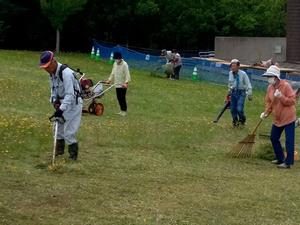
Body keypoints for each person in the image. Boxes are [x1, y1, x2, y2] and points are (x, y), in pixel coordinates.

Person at [40, 51, 83, 160]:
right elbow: (53, 90)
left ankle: (73, 156)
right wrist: (54, 101)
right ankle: (59, 152)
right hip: (63, 103)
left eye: (47, 66)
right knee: (57, 128)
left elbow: (70, 95)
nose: (46, 69)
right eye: (44, 67)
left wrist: (61, 109)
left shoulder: (66, 74)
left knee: (69, 131)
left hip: (73, 104)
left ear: (53, 61)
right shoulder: (52, 73)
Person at [260, 65, 296, 169]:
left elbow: (292, 101)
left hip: (288, 117)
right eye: (267, 77)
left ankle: (288, 162)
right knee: (274, 137)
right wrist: (266, 112)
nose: (268, 79)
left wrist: (281, 97)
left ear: (275, 77)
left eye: (269, 76)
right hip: (278, 118)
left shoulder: (285, 86)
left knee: (289, 140)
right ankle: (280, 158)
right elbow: (268, 102)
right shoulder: (270, 88)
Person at [228, 59, 253, 127]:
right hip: (233, 92)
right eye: (231, 66)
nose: (232, 67)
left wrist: (249, 94)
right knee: (232, 110)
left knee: (239, 109)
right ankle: (235, 122)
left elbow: (248, 84)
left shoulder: (243, 74)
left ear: (238, 66)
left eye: (234, 66)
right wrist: (228, 94)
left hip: (241, 93)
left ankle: (242, 120)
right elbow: (230, 84)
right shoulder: (230, 73)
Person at [106, 52, 131, 116]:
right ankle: (121, 110)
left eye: (116, 59)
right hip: (117, 83)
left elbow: (127, 74)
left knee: (122, 97)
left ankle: (124, 111)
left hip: (123, 84)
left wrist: (126, 83)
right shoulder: (115, 64)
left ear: (120, 58)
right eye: (115, 59)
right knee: (118, 97)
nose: (115, 60)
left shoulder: (125, 64)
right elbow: (113, 72)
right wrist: (109, 79)